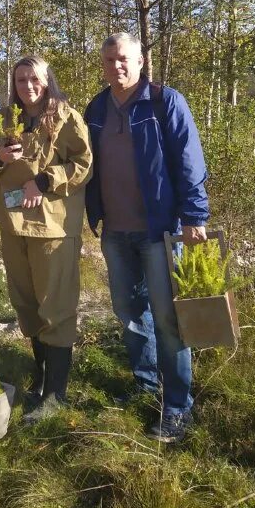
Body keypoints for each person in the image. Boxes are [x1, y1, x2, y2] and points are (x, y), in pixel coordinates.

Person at [84, 32, 209, 443]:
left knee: (169, 318)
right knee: (130, 312)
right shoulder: (97, 109)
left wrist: (193, 216)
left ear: (140, 61)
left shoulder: (163, 102)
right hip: (115, 233)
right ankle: (145, 385)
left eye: (123, 59)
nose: (115, 66)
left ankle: (177, 405)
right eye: (108, 60)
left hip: (158, 232)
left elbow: (189, 161)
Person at [0, 56, 92, 420]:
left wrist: (44, 180)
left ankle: (56, 396)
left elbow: (84, 163)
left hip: (52, 229)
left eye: (34, 79)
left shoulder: (66, 117)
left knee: (54, 306)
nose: (27, 85)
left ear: (47, 81)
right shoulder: (4, 118)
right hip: (14, 225)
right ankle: (41, 381)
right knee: (25, 303)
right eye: (21, 79)